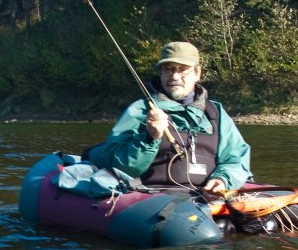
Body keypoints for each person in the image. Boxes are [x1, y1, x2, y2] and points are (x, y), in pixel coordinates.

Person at [86, 41, 252, 196]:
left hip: (206, 197)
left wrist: (223, 179)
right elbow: (119, 166)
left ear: (197, 73)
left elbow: (236, 158)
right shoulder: (139, 110)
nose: (175, 76)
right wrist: (149, 138)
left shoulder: (216, 113)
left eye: (182, 69)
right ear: (161, 73)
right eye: (169, 69)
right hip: (154, 198)